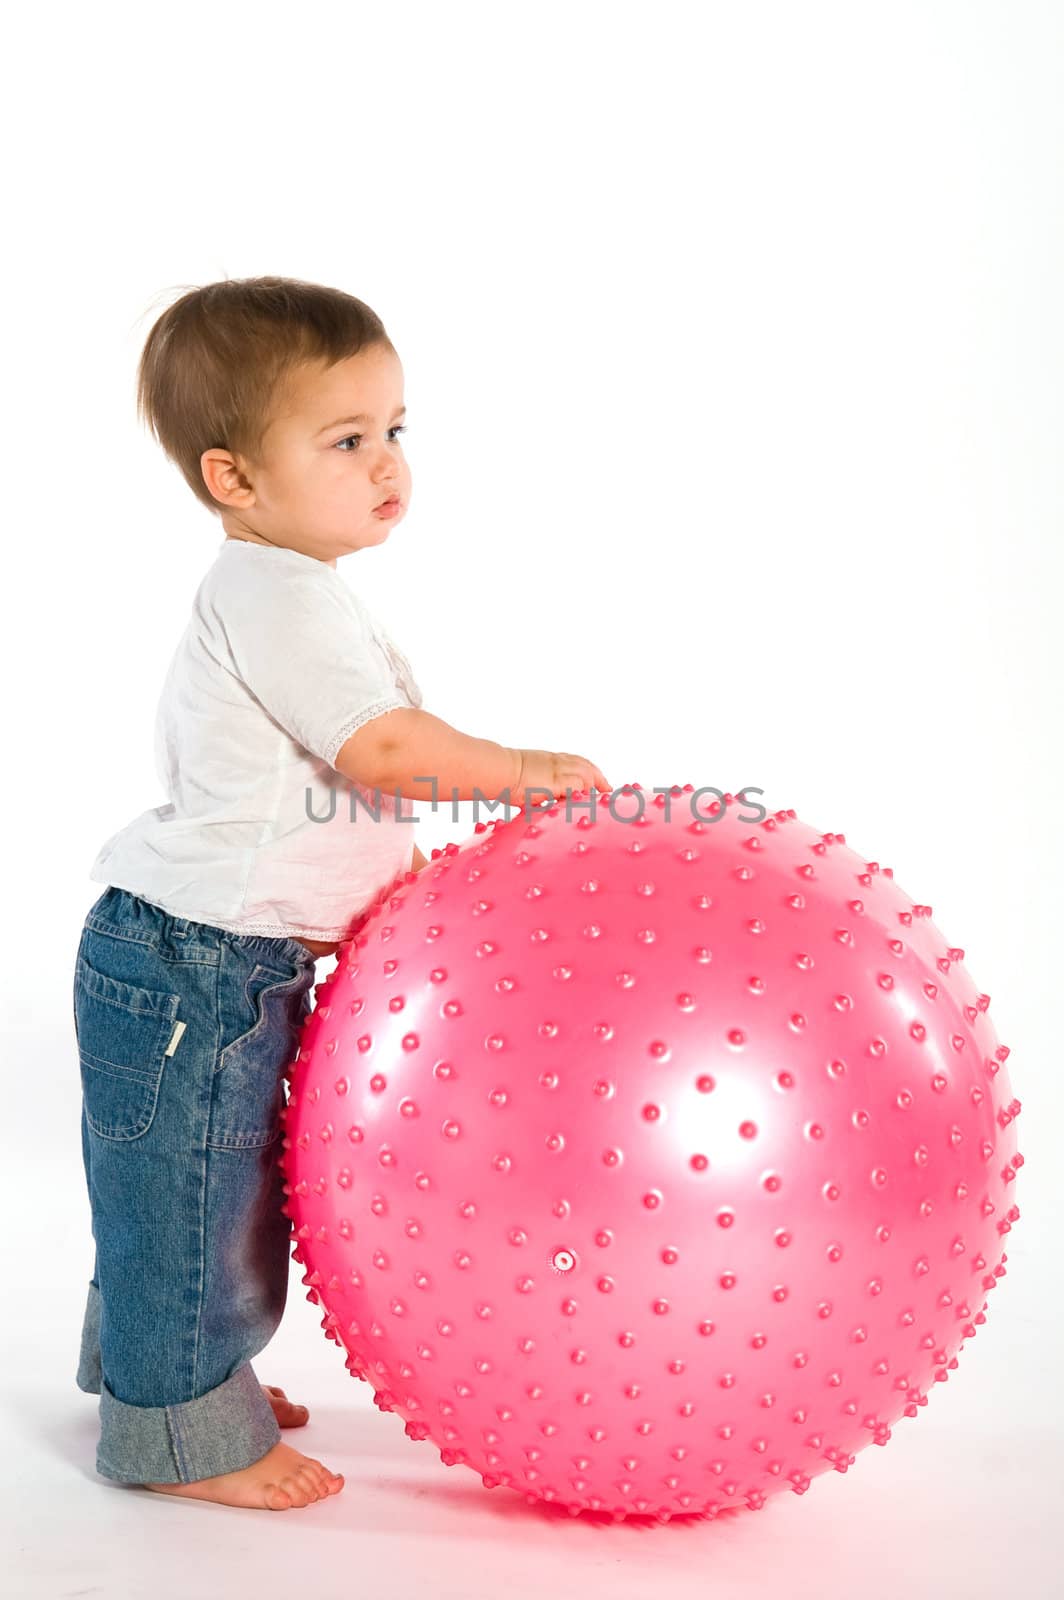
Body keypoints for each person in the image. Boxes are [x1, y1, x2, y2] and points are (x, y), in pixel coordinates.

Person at [73, 275, 611, 1512]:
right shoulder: (277, 594)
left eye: (394, 431)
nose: (387, 466)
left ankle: (169, 1367)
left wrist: (381, 881)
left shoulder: (292, 588)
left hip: (211, 955)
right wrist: (512, 773)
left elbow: (314, 786)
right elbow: (376, 749)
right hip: (194, 962)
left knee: (197, 1188)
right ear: (234, 479)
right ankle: (177, 1429)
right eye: (346, 439)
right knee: (198, 1185)